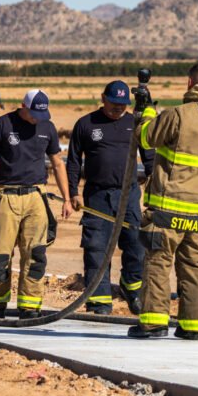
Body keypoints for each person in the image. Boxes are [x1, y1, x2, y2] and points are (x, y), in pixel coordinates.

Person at [127, 62, 198, 340]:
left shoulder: (178, 115)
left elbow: (146, 139)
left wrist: (147, 111)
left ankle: (152, 323)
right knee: (195, 266)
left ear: (189, 84)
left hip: (169, 208)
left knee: (158, 262)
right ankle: (195, 327)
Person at [0, 89, 73, 319]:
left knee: (35, 253)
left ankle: (29, 307)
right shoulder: (3, 124)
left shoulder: (47, 127)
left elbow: (58, 164)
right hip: (7, 196)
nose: (36, 119)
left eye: (41, 114)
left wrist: (67, 199)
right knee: (0, 254)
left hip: (36, 197)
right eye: (33, 114)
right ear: (23, 106)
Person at [66, 80, 155, 315]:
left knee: (137, 245)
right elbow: (74, 160)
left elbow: (149, 155)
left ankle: (132, 288)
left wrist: (153, 177)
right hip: (97, 196)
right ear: (103, 98)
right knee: (97, 249)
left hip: (128, 195)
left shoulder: (134, 123)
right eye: (114, 103)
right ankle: (99, 302)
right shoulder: (86, 124)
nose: (118, 108)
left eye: (123, 104)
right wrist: (73, 192)